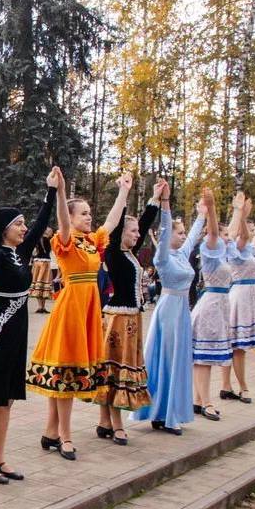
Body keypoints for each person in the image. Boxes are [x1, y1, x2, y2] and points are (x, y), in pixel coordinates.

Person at [27, 172, 132, 460]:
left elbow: (111, 222)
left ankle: (51, 431)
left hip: (87, 310)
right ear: (72, 218)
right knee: (65, 369)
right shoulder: (67, 240)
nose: (89, 217)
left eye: (89, 213)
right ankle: (65, 436)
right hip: (71, 309)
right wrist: (60, 192)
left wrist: (123, 191)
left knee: (67, 372)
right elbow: (61, 219)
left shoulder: (91, 241)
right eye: (83, 213)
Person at [0, 167, 59, 484]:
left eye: (22, 223)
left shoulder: (21, 254)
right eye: (17, 224)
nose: (24, 228)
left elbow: (39, 225)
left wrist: (51, 190)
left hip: (17, 334)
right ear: (3, 229)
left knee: (6, 399)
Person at [132, 184, 206, 435]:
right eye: (180, 233)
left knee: (178, 360)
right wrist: (165, 205)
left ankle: (169, 412)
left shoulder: (182, 255)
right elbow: (165, 232)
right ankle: (162, 415)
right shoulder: (162, 257)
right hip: (168, 310)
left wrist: (203, 214)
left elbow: (195, 235)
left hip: (182, 311)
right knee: (167, 359)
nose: (184, 236)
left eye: (184, 232)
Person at [93, 181, 161, 445]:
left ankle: (104, 421)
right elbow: (120, 221)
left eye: (137, 232)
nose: (136, 235)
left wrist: (154, 198)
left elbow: (142, 223)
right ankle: (116, 424)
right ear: (121, 232)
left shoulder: (129, 252)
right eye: (131, 231)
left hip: (131, 319)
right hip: (118, 321)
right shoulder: (112, 252)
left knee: (113, 370)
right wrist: (124, 191)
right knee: (115, 370)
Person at [190, 189, 232, 422]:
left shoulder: (223, 254)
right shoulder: (211, 249)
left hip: (220, 305)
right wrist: (212, 209)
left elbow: (230, 232)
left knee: (207, 356)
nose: (228, 237)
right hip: (210, 305)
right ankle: (206, 401)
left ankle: (198, 399)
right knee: (203, 358)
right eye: (225, 234)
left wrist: (237, 212)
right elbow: (215, 231)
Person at [222, 201, 255, 404]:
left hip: (248, 295)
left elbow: (247, 237)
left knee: (235, 345)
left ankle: (226, 386)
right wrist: (242, 215)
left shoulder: (247, 251)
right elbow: (243, 236)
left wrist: (245, 217)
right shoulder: (234, 251)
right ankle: (242, 386)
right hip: (239, 295)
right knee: (237, 345)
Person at [29, 227, 54, 313]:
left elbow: (34, 252)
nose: (52, 233)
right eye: (50, 231)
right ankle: (42, 306)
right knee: (44, 283)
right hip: (45, 263)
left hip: (37, 262)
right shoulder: (47, 240)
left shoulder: (37, 239)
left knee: (38, 283)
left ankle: (40, 306)